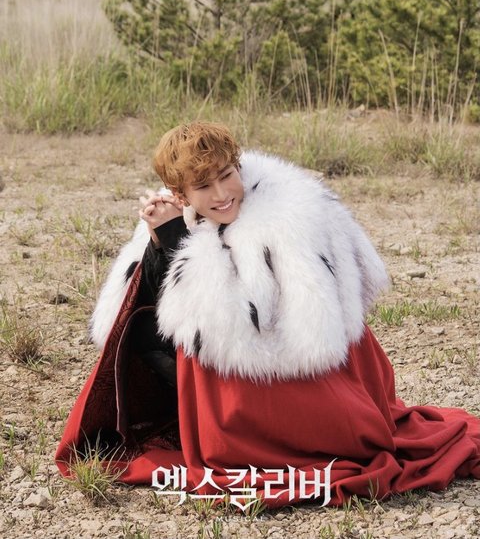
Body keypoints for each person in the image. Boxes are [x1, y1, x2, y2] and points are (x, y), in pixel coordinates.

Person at [56, 121, 480, 509]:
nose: (221, 194)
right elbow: (160, 307)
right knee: (143, 328)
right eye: (203, 186)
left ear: (238, 167)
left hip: (311, 371)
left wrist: (174, 236)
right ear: (181, 196)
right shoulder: (182, 217)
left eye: (226, 175)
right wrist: (159, 241)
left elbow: (236, 325)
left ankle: (246, 435)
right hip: (262, 364)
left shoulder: (283, 213)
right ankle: (197, 420)